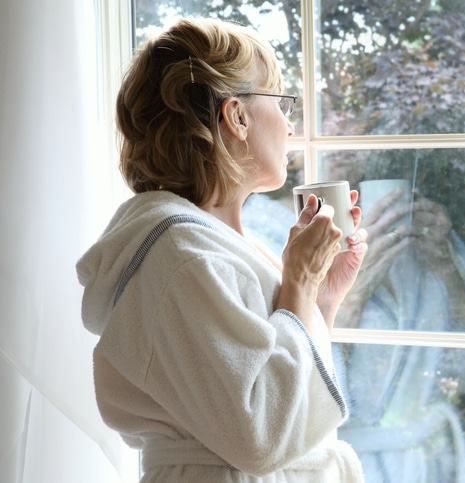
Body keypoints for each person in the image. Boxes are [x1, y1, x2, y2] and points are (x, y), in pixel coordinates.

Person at [76, 17, 367, 482]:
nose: (291, 125)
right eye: (282, 101)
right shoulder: (180, 256)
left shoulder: (215, 243)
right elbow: (259, 434)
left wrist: (320, 298)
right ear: (236, 116)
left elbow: (287, 400)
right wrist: (299, 282)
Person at [244, 181, 465, 482]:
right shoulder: (260, 237)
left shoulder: (420, 231)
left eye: (361, 131)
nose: (349, 138)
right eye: (334, 131)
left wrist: (446, 264)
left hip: (433, 466)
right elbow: (283, 407)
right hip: (346, 467)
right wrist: (345, 300)